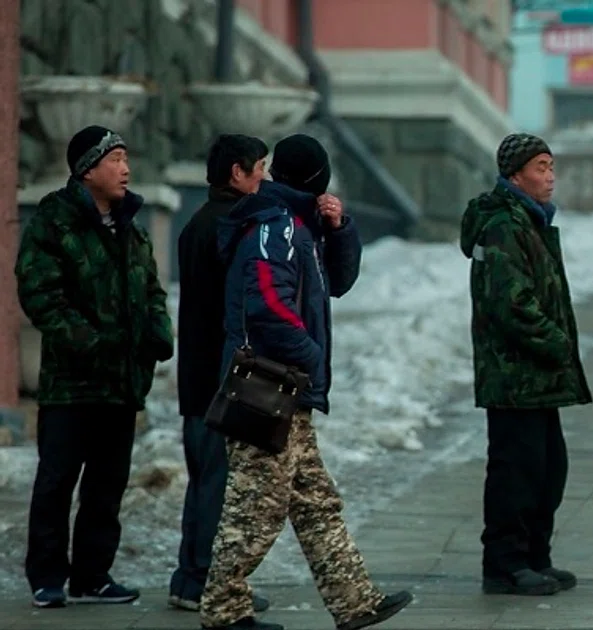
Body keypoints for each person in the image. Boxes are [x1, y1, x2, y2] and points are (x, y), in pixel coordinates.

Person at [199, 134, 411, 630]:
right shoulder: (275, 228)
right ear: (316, 177)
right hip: (265, 388)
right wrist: (311, 356)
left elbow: (337, 282)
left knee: (315, 502)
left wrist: (339, 230)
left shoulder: (301, 226)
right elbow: (267, 306)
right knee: (257, 508)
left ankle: (354, 601)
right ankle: (223, 610)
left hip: (288, 389)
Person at [16, 125, 174, 608]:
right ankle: (47, 577)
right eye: (115, 160)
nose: (126, 169)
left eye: (126, 159)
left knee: (107, 484)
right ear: (87, 170)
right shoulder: (54, 223)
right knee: (57, 480)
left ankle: (92, 575)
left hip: (121, 381)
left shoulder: (133, 229)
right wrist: (91, 344)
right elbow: (41, 295)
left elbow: (152, 290)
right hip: (71, 382)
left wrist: (157, 333)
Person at [459, 133, 592, 596]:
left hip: (537, 376)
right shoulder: (504, 224)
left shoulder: (531, 220)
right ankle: (504, 565)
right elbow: (511, 303)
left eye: (551, 166)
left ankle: (535, 556)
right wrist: (557, 344)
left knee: (548, 468)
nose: (550, 176)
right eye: (540, 168)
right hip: (514, 374)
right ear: (515, 176)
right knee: (515, 472)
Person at [169, 134, 272, 614]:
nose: (264, 177)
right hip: (221, 374)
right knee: (218, 483)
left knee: (203, 480)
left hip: (197, 372)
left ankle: (189, 578)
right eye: (260, 168)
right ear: (237, 173)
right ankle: (206, 583)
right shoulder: (232, 227)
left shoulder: (198, 222)